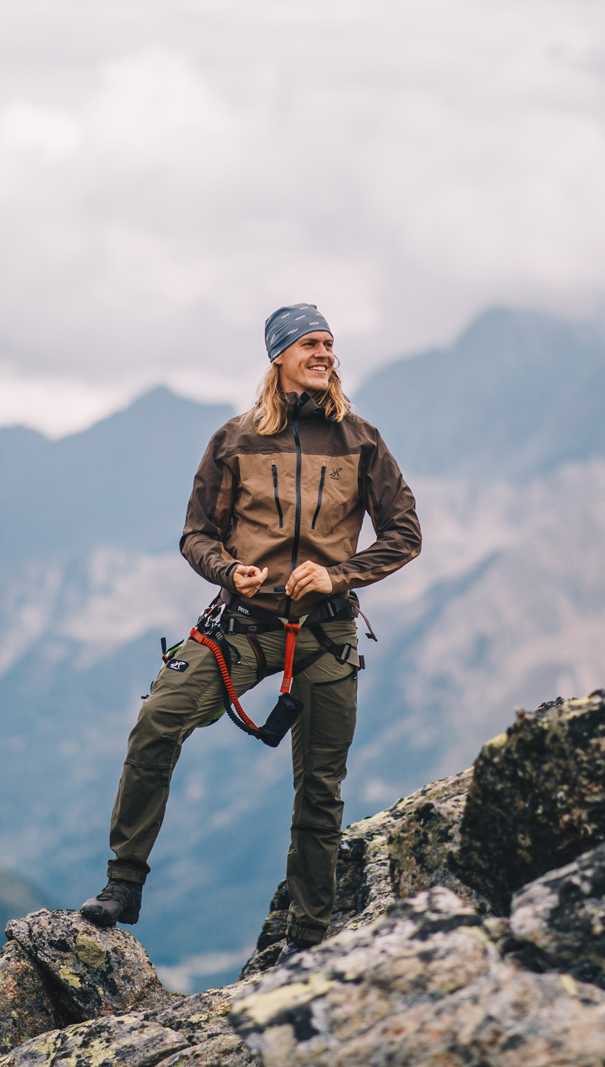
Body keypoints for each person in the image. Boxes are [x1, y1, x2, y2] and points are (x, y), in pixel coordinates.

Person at [79, 303, 422, 959]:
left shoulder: (362, 440)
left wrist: (338, 576)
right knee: (158, 720)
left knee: (320, 787)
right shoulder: (233, 439)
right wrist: (225, 567)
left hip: (324, 634)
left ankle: (305, 937)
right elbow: (195, 533)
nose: (324, 353)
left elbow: (405, 534)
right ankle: (124, 884)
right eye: (310, 344)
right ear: (279, 356)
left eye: (329, 343)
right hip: (238, 627)